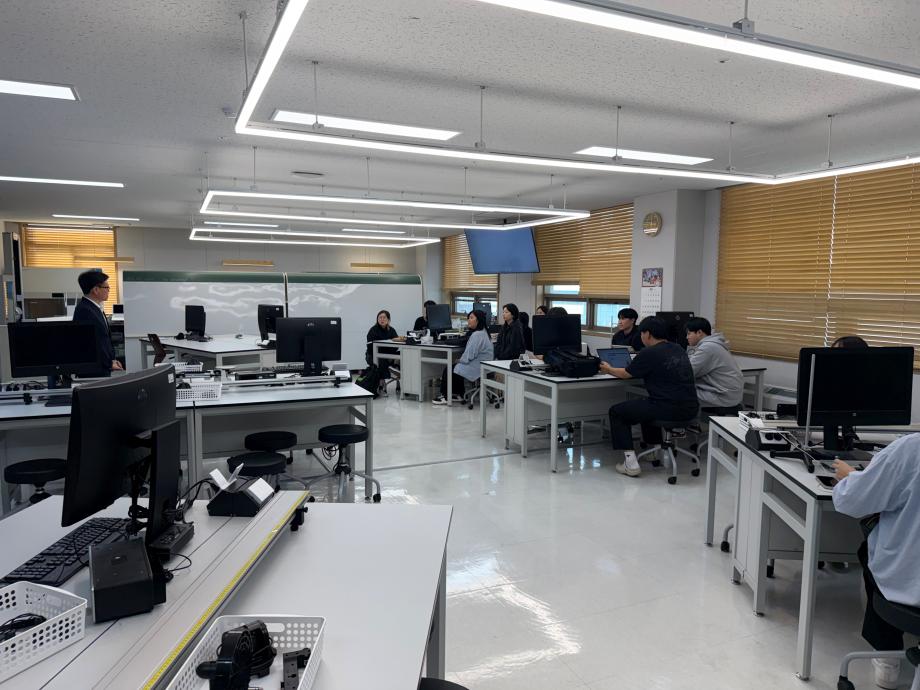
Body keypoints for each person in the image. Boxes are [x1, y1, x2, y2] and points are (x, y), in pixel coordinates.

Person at [832, 434, 920, 689]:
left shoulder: (911, 449)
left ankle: (886, 657)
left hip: (906, 588)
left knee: (871, 550)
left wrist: (851, 476)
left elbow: (851, 500)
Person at [599, 316, 698, 477]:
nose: (641, 336)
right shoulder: (678, 348)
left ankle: (630, 463)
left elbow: (626, 374)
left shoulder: (649, 352)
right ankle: (653, 452)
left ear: (648, 334)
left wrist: (608, 369)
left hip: (666, 407)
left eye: (641, 333)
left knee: (617, 412)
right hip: (690, 407)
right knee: (644, 404)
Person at [685, 316, 744, 415]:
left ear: (699, 332)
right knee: (685, 388)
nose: (687, 337)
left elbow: (688, 373)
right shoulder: (713, 344)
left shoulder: (707, 348)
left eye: (689, 333)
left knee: (679, 393)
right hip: (728, 394)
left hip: (723, 396)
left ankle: (686, 423)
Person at [433, 310, 493, 405]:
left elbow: (469, 355)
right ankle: (458, 394)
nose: (469, 320)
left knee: (450, 369)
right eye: (468, 318)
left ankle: (446, 396)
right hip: (484, 364)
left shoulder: (477, 335)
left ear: (478, 320)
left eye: (471, 318)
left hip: (478, 366)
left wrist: (460, 360)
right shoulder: (484, 332)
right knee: (456, 367)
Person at [73, 270, 122, 376]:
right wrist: (109, 363)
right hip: (93, 371)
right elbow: (93, 344)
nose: (109, 290)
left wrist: (112, 360)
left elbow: (104, 339)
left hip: (102, 366)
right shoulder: (85, 310)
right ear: (96, 290)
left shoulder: (94, 308)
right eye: (106, 287)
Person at [365, 310, 400, 378]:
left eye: (384, 317)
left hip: (388, 354)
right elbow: (370, 347)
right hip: (373, 355)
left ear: (388, 320)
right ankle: (386, 378)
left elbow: (396, 345)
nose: (382, 319)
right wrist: (387, 351)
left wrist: (389, 353)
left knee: (402, 354)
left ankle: (397, 369)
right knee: (382, 359)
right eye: (380, 317)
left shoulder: (391, 330)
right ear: (377, 319)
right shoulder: (373, 330)